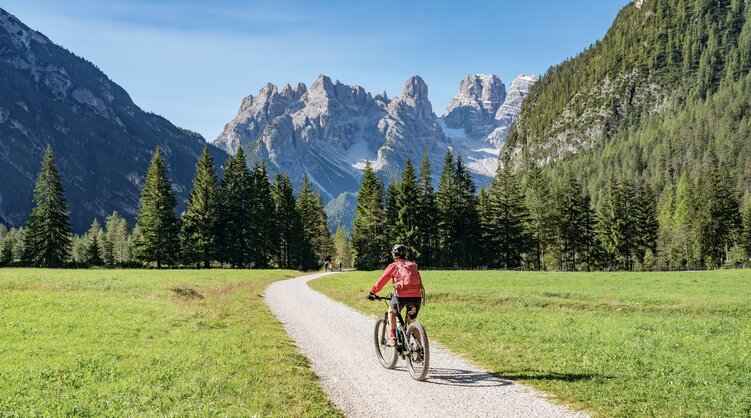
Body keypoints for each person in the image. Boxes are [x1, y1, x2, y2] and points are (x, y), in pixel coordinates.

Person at [367, 244, 424, 347]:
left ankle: (392, 337)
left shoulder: (393, 266)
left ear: (394, 254)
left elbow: (382, 280)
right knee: (412, 321)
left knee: (392, 312)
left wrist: (372, 292)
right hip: (416, 297)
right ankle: (420, 351)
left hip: (401, 297)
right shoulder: (412, 265)